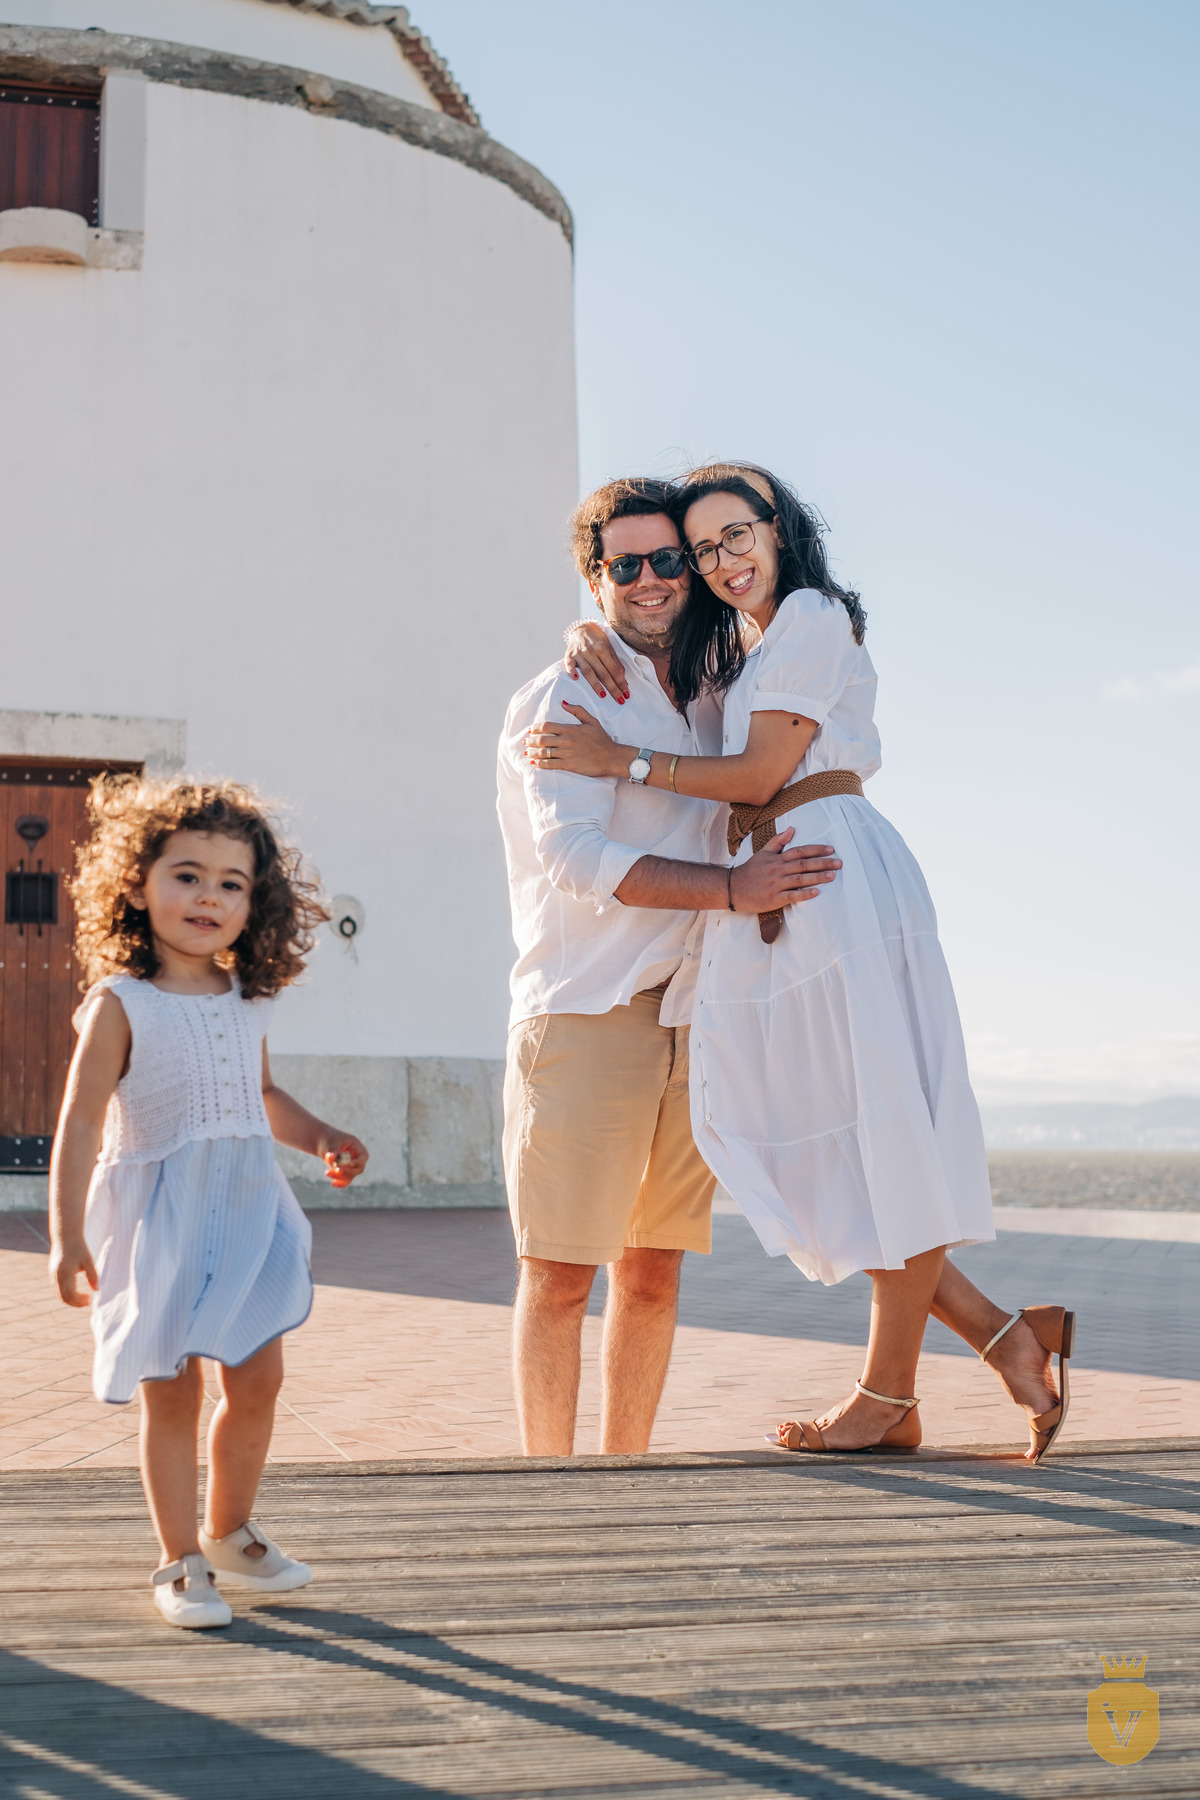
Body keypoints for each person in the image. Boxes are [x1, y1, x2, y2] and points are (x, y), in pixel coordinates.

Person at [527, 463, 1073, 1461]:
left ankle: (891, 1394)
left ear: (783, 531)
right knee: (831, 1136)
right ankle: (999, 1339)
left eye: (737, 535)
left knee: (873, 1132)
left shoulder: (812, 614)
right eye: (700, 550)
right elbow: (641, 677)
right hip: (783, 883)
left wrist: (623, 762)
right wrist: (585, 631)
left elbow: (762, 773)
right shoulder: (737, 648)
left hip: (823, 872)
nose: (716, 561)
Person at [497, 477, 842, 1457]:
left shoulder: (725, 683)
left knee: (652, 1271)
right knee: (562, 1275)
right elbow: (574, 861)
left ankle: (626, 1479)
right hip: (586, 1009)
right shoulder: (570, 689)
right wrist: (731, 891)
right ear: (593, 578)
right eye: (626, 565)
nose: (652, 581)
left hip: (699, 1013)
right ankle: (552, 1494)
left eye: (669, 560)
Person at [48, 777, 369, 1629]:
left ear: (253, 902)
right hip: (164, 1217)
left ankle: (231, 1532)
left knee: (259, 1375)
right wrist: (67, 1234)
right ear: (138, 883)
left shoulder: (245, 999)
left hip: (246, 1210)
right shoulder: (122, 1003)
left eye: (231, 883)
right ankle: (180, 1557)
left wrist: (323, 1135)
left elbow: (261, 1095)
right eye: (187, 874)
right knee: (173, 1389)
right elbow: (81, 1121)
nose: (208, 897)